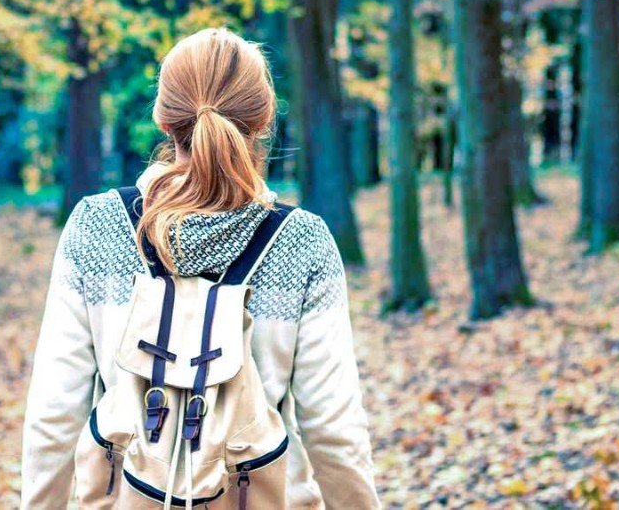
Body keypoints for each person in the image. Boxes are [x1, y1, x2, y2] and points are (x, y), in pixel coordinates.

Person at [21, 28, 379, 508]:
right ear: (264, 120)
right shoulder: (302, 242)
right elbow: (334, 429)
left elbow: (54, 415)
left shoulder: (96, 226)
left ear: (163, 120)